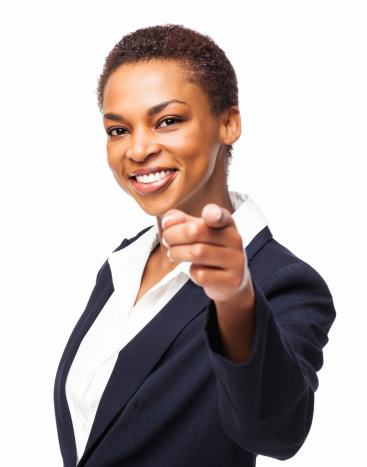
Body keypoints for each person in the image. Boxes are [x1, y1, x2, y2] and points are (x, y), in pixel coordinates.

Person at [54, 25, 336, 467]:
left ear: (228, 123)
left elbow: (278, 432)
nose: (139, 148)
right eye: (118, 130)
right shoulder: (122, 265)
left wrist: (237, 299)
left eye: (167, 121)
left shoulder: (281, 281)